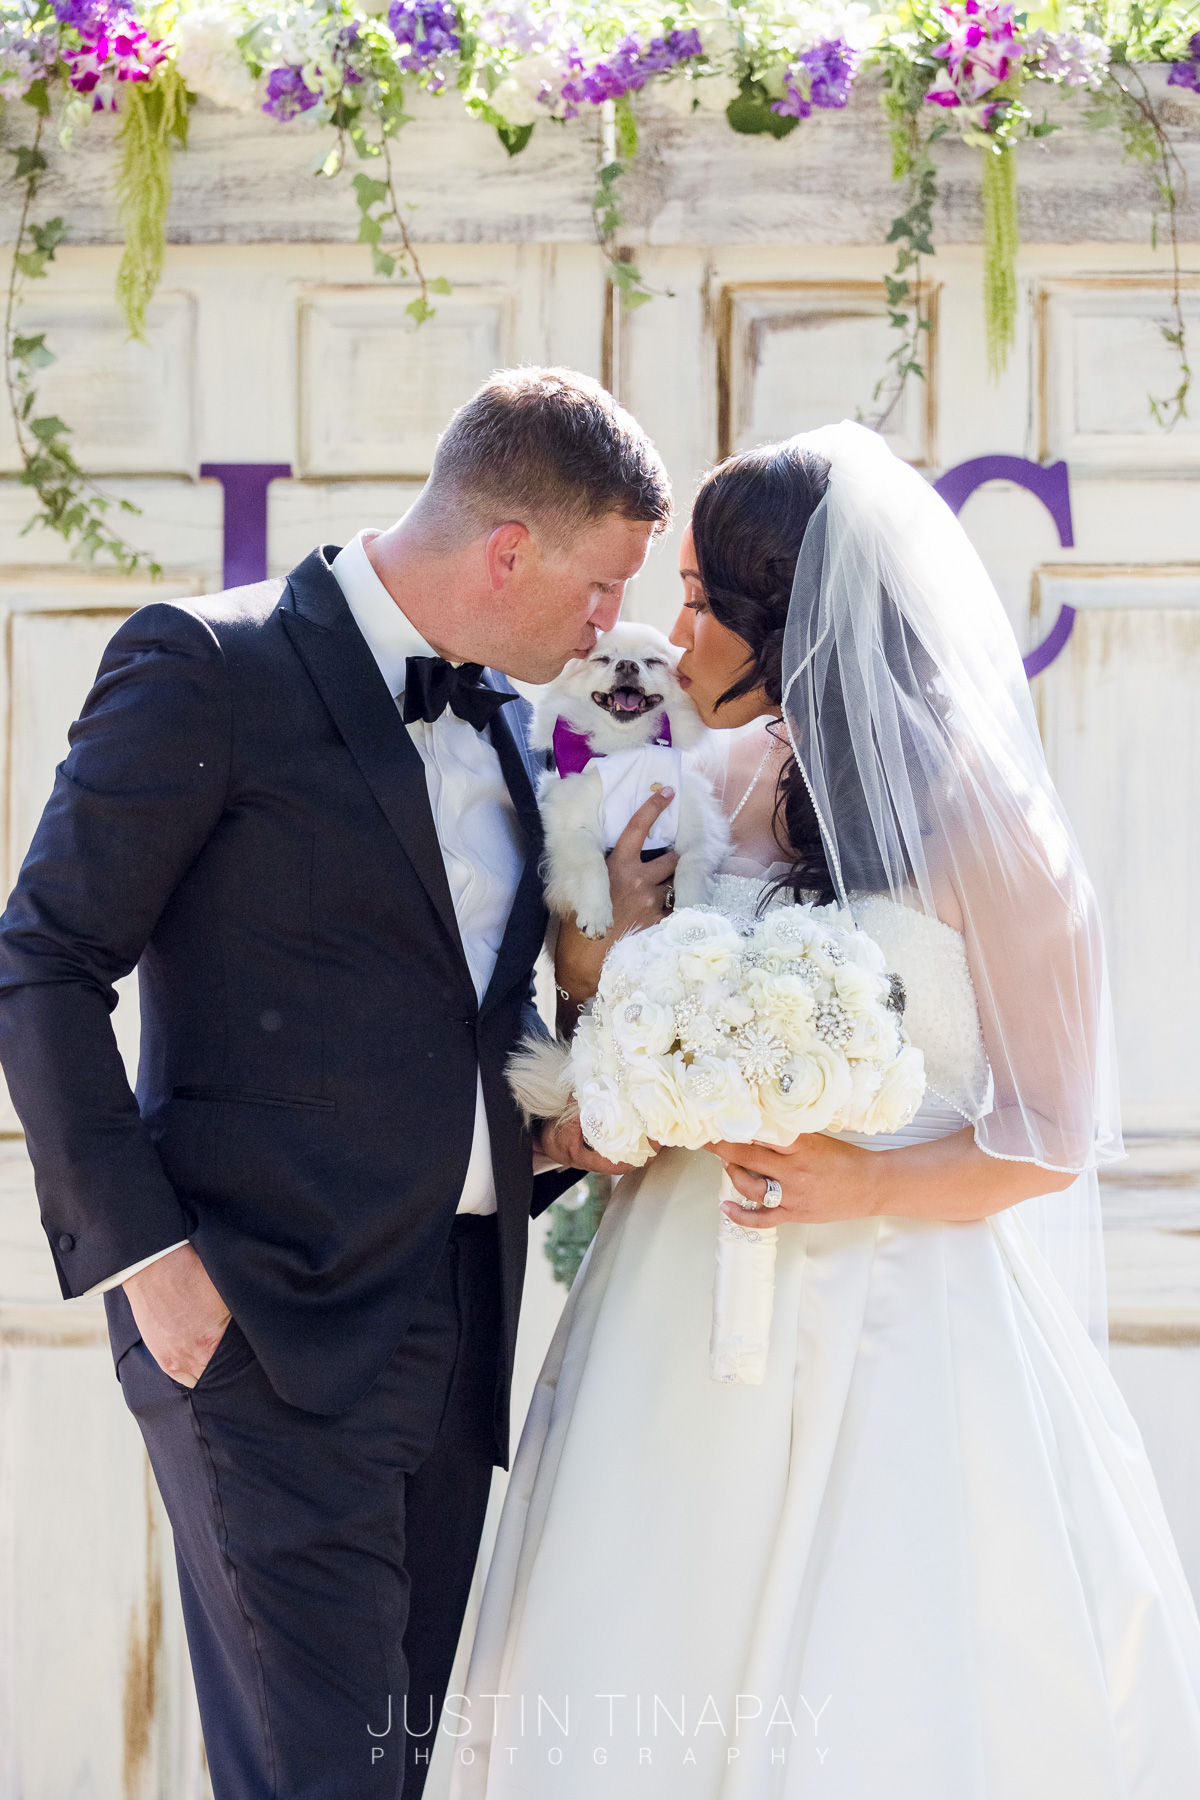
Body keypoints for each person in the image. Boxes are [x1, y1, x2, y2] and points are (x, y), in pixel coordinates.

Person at [451, 422, 1200, 1798]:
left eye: (697, 602)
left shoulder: (988, 830)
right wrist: (612, 957)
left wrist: (866, 1188)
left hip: (905, 1322)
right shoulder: (707, 795)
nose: (669, 640)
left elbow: (1049, 1133)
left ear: (781, 624)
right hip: (673, 1312)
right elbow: (619, 1066)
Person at [0, 368, 670, 1800]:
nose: (614, 627)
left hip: (452, 1337)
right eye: (603, 585)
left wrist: (558, 1121)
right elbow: (41, 963)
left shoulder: (494, 716)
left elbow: (424, 1020)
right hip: (260, 1334)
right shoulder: (208, 661)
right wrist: (150, 1266)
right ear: (509, 551)